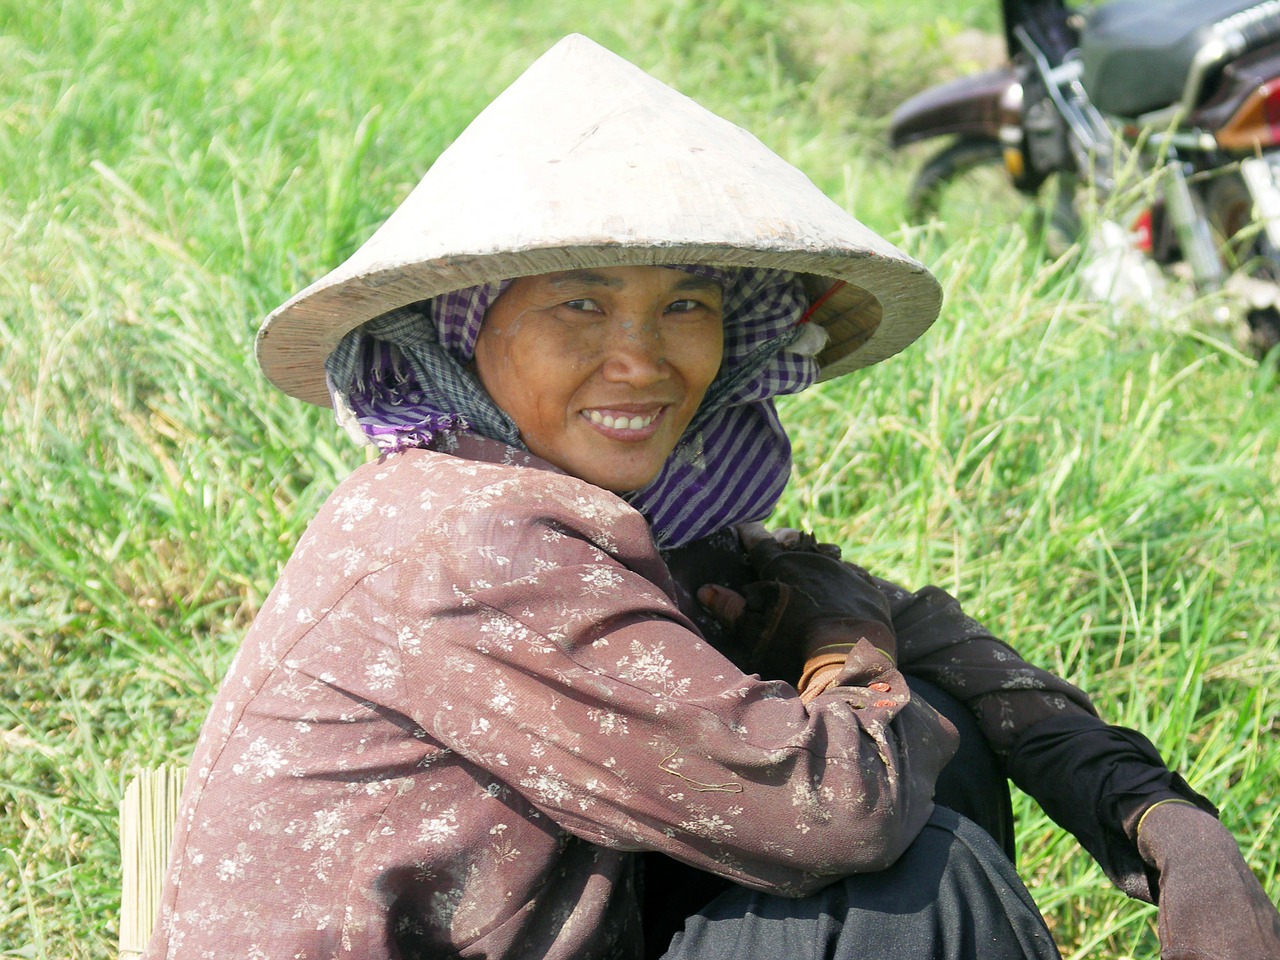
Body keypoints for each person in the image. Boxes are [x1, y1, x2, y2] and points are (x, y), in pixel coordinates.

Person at [143, 35, 1280, 960]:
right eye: (578, 307)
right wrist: (854, 661)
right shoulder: (471, 532)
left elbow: (906, 624)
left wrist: (1158, 819)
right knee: (906, 880)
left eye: (685, 304)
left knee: (923, 731)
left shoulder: (601, 511)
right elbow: (828, 805)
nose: (641, 360)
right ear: (464, 331)